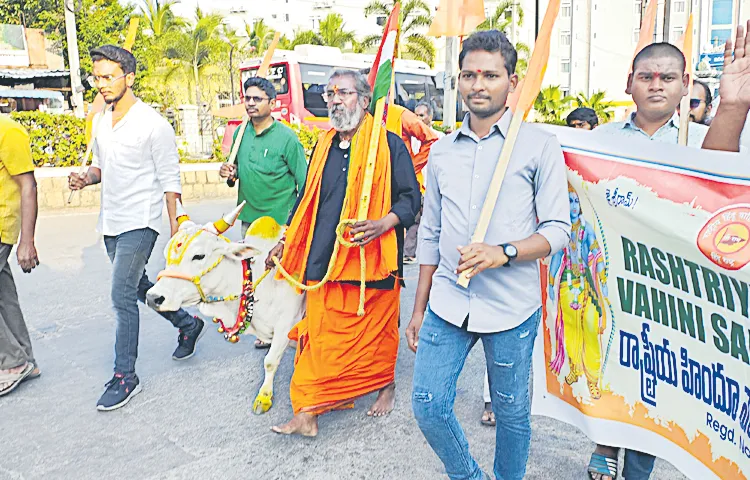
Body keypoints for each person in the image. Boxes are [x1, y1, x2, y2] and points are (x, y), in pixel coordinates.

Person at [406, 30, 571, 480]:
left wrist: (504, 252)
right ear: (458, 80)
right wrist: (418, 309)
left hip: (512, 306)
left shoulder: (539, 145)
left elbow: (558, 231)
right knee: (428, 406)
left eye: (490, 75)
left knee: (512, 415)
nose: (478, 84)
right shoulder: (440, 152)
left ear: (511, 83)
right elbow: (431, 235)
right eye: (469, 74)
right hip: (447, 301)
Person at [588, 34, 750, 479]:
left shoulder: (709, 141)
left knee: (658, 379)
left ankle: (640, 466)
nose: (656, 85)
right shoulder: (598, 141)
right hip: (615, 282)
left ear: (685, 84)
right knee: (613, 366)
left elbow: (721, 199)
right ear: (629, 84)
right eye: (647, 76)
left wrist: (733, 109)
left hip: (670, 291)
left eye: (668, 77)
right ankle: (603, 445)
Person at [268, 69, 420, 437]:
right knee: (319, 339)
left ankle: (386, 386)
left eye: (344, 93)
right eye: (330, 93)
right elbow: (305, 199)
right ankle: (308, 411)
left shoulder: (389, 145)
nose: (335, 100)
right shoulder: (322, 145)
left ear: (365, 101)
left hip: (373, 261)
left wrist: (384, 223)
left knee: (377, 335)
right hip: (323, 259)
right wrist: (287, 237)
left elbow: (411, 200)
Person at [68, 45, 204, 411]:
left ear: (129, 77)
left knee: (121, 297)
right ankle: (187, 324)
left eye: (109, 76)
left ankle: (125, 376)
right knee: (139, 286)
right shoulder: (100, 120)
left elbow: (170, 179)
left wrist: (178, 228)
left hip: (140, 222)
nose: (101, 84)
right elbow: (101, 167)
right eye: (97, 77)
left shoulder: (153, 124)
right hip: (110, 221)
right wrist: (86, 178)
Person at [218, 76, 307, 349]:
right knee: (255, 275)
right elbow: (234, 176)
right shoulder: (240, 133)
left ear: (272, 102)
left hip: (280, 221)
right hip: (249, 220)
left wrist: (295, 225)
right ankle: (264, 329)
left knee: (283, 278)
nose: (251, 104)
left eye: (258, 99)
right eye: (248, 99)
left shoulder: (287, 139)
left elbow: (304, 184)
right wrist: (229, 175)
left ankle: (291, 327)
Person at [0, 114, 40, 397]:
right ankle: (26, 360)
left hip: (1, 224)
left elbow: (28, 185)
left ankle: (13, 363)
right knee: (3, 296)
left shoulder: (9, 131)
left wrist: (27, 240)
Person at [404, 101, 444, 265]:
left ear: (430, 117)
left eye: (422, 115)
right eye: (416, 115)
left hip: (434, 187)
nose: (418, 118)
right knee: (414, 220)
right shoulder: (411, 138)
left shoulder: (439, 139)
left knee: (435, 223)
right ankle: (408, 252)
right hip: (417, 187)